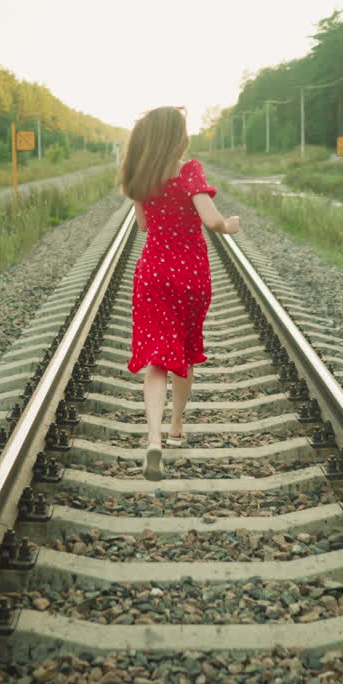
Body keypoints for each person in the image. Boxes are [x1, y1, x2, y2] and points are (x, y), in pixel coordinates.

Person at [118, 106, 240, 481]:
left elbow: (141, 225)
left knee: (157, 359)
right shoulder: (189, 170)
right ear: (177, 137)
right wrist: (230, 226)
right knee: (184, 350)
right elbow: (211, 219)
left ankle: (153, 438)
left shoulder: (140, 173)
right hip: (190, 274)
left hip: (153, 272)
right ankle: (176, 428)